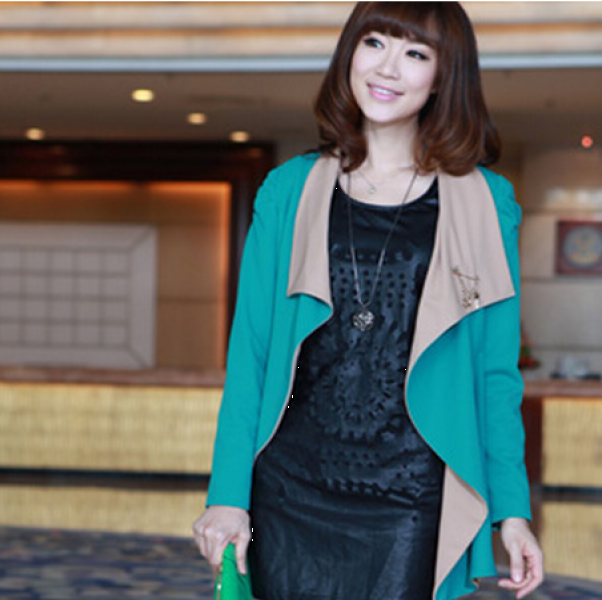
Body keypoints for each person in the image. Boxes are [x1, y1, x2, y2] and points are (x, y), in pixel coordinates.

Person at [193, 3, 544, 599]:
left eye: (415, 53)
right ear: (349, 54)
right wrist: (227, 494)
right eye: (375, 43)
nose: (387, 67)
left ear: (443, 76)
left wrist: (512, 511)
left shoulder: (486, 202)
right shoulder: (289, 190)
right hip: (288, 489)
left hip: (410, 495)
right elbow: (250, 355)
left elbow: (495, 374)